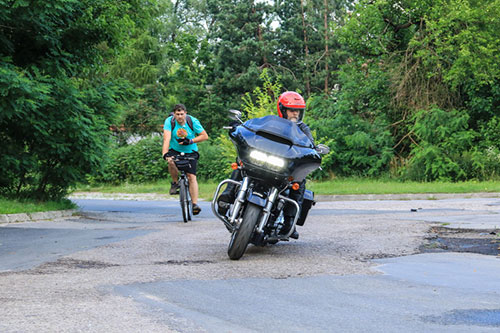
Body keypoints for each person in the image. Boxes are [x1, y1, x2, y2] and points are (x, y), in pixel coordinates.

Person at [217, 91, 314, 239]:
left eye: (298, 110)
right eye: (292, 110)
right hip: (262, 161)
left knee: (299, 182)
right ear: (282, 109)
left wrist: (314, 150)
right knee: (241, 162)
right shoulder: (270, 122)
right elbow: (252, 129)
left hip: (283, 167)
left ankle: (290, 221)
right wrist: (238, 126)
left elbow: (310, 144)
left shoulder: (303, 129)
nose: (295, 113)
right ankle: (227, 194)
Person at [163, 104, 208, 215]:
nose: (179, 116)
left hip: (191, 150)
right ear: (174, 114)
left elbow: (204, 136)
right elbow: (166, 138)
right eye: (177, 114)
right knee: (170, 161)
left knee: (191, 176)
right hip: (175, 149)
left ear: (185, 113)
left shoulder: (192, 121)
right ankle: (174, 183)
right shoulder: (170, 121)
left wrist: (191, 141)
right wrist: (165, 153)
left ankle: (194, 204)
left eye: (181, 114)